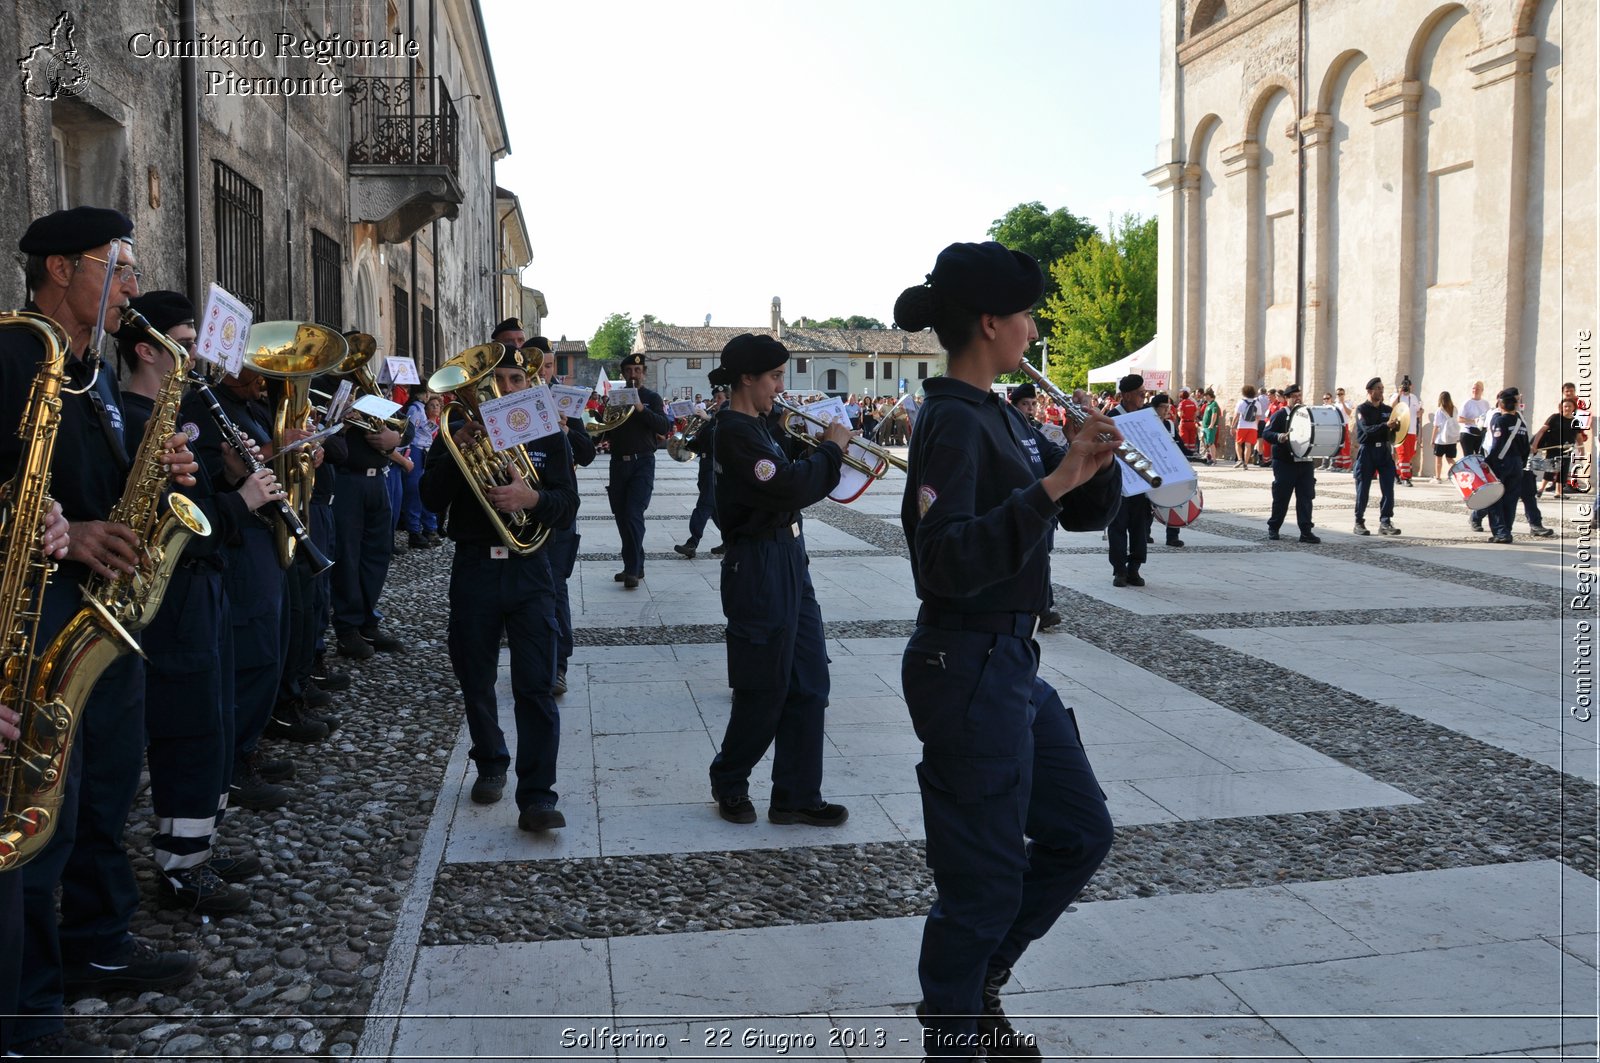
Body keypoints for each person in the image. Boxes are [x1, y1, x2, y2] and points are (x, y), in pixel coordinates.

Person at [892, 240, 1118, 1063]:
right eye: (1025, 314)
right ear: (990, 323)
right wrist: (1054, 487)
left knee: (1080, 832)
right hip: (966, 662)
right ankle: (953, 1035)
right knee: (981, 883)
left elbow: (1083, 511)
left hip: (1012, 664)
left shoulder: (1000, 415)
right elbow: (942, 559)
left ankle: (979, 982)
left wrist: (1089, 460)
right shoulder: (951, 420)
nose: (1033, 326)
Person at [1, 206, 202, 1058]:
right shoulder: (19, 356)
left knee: (95, 791)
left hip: (100, 605)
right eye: (114, 265)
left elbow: (94, 483)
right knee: (36, 813)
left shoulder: (85, 371)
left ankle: (89, 942)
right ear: (58, 270)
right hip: (42, 606)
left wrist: (160, 482)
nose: (128, 283)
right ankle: (29, 1011)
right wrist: (74, 532)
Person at [420, 344, 577, 830]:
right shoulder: (455, 432)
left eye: (515, 380)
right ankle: (490, 762)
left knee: (535, 686)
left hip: (531, 567)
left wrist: (532, 497)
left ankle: (538, 796)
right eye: (501, 380)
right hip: (475, 568)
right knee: (475, 676)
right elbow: (429, 498)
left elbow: (566, 504)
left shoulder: (547, 429)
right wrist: (459, 448)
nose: (509, 389)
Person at [704, 333, 851, 828]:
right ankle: (730, 778)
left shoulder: (762, 425)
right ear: (747, 378)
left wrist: (805, 443)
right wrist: (831, 451)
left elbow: (787, 474)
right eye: (774, 377)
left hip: (789, 555)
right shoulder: (733, 430)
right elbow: (787, 485)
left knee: (810, 683)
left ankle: (795, 794)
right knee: (763, 687)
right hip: (758, 564)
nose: (779, 387)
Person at [329, 330, 409, 658]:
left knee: (377, 553)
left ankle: (368, 621)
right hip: (347, 481)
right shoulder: (329, 390)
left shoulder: (370, 392)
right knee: (348, 556)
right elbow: (322, 433)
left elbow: (405, 425)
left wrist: (394, 439)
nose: (356, 366)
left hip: (379, 481)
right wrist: (341, 422)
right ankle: (347, 628)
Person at [531, 336, 596, 694]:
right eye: (537, 365)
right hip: (518, 507)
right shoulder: (509, 398)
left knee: (555, 587)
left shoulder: (567, 401)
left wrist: (566, 427)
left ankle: (558, 665)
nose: (543, 372)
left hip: (558, 507)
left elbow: (587, 453)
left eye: (549, 365)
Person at [605, 352, 671, 589]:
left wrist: (641, 409)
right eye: (629, 371)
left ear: (643, 373)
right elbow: (607, 430)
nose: (633, 375)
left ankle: (633, 569)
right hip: (617, 463)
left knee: (633, 513)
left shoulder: (651, 398)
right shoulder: (616, 396)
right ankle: (634, 564)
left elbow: (664, 426)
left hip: (642, 462)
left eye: (637, 371)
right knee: (622, 517)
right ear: (623, 374)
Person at [1105, 374, 1153, 586]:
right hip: (1119, 483)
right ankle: (1119, 570)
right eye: (1141, 394)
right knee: (1117, 526)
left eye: (1145, 393)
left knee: (1140, 527)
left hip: (1141, 481)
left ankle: (1135, 568)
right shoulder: (1111, 417)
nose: (1144, 397)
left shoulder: (1145, 416)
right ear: (1126, 395)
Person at [1258, 383, 1321, 543]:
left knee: (1306, 498)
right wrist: (1280, 437)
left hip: (1305, 462)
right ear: (1286, 399)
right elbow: (1266, 433)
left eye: (1299, 395)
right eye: (1294, 396)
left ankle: (1306, 531)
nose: (1298, 398)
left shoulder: (1307, 415)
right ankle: (1274, 527)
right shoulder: (1280, 415)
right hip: (1285, 462)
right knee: (1281, 497)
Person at [676, 387, 725, 560]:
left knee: (704, 505)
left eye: (719, 397)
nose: (716, 401)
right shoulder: (710, 420)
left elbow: (721, 438)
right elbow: (702, 444)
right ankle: (730, 539)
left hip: (715, 466)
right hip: (704, 466)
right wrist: (686, 443)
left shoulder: (725, 417)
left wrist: (709, 420)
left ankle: (692, 542)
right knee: (714, 509)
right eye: (715, 397)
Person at [1351, 376, 1402, 535]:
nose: (1381, 391)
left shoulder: (1387, 410)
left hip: (1384, 452)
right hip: (1367, 451)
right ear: (1370, 391)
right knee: (1363, 488)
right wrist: (1385, 425)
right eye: (1378, 388)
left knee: (1388, 487)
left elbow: (1396, 432)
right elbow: (1366, 430)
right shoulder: (1362, 409)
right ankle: (1359, 521)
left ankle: (1385, 522)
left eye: (1382, 388)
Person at [1485, 387, 1533, 543]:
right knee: (1511, 499)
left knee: (1494, 497)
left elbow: (1497, 445)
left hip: (1502, 463)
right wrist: (1521, 463)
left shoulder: (1500, 420)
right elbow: (1526, 447)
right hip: (1517, 463)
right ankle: (1507, 530)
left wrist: (1488, 463)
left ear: (1501, 405)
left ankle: (1500, 532)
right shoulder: (1521, 423)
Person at [399, 383, 441, 548]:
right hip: (416, 450)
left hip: (423, 449)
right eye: (427, 392)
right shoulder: (415, 410)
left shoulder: (419, 409)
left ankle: (426, 527)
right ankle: (414, 529)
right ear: (422, 394)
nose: (429, 395)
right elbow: (411, 432)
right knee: (415, 490)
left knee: (422, 489)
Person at [1148, 392, 1190, 548]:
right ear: (1154, 408)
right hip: (1152, 469)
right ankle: (1145, 533)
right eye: (1163, 407)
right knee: (1149, 503)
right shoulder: (1147, 423)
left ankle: (1172, 536)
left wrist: (1193, 455)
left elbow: (1179, 445)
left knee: (1174, 501)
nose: (1167, 411)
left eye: (1169, 407)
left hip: (1171, 469)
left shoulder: (1170, 425)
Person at [1532, 396, 1586, 498]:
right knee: (1550, 468)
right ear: (1562, 407)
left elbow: (1579, 437)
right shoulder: (1555, 418)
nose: (1567, 408)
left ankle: (1558, 492)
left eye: (1570, 406)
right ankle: (1541, 489)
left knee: (1563, 470)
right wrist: (1535, 444)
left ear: (1574, 407)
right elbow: (1542, 431)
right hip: (1553, 448)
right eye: (1565, 406)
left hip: (1567, 449)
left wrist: (1581, 449)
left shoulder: (1576, 421)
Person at [1391, 375, 1422, 485]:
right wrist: (1399, 394)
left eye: (1407, 386)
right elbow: (1392, 406)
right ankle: (1405, 477)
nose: (1406, 388)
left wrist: (1420, 412)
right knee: (1402, 453)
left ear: (1411, 387)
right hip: (1400, 431)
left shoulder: (1414, 397)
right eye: (1404, 386)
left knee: (1409, 454)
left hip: (1412, 430)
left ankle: (1397, 474)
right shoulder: (1397, 396)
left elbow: (1418, 412)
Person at [1431, 391, 1461, 483]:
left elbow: (1436, 426)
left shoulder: (1439, 411)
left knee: (1438, 458)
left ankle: (1438, 478)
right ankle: (1459, 474)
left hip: (1441, 439)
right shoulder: (1454, 409)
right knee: (1450, 459)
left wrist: (1432, 440)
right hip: (1451, 438)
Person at [1231, 385, 1261, 468]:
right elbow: (1258, 417)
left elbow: (1236, 415)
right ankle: (1246, 464)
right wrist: (1256, 425)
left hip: (1242, 426)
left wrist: (1232, 426)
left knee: (1238, 443)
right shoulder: (1257, 403)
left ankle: (1240, 459)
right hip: (1253, 427)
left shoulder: (1241, 402)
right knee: (1248, 445)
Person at [1198, 388, 1220, 465]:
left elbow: (1214, 414)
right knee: (1205, 441)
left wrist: (1211, 424)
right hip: (1204, 426)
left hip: (1210, 427)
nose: (1204, 397)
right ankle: (1208, 456)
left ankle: (1214, 459)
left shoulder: (1214, 404)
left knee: (1210, 442)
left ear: (1209, 396)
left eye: (1205, 396)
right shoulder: (1208, 404)